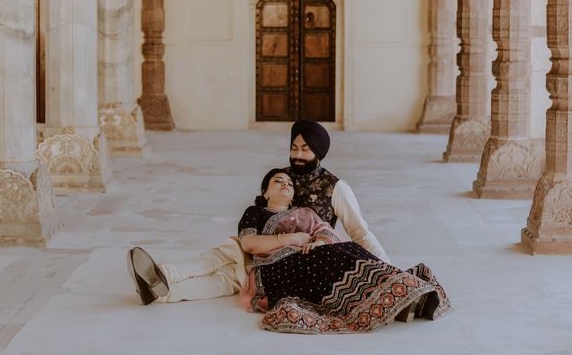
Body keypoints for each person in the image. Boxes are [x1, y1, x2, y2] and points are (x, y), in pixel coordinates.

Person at [127, 120, 388, 305]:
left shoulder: (336, 187)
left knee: (230, 265)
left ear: (318, 153)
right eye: (294, 148)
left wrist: (386, 270)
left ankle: (164, 279)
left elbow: (359, 232)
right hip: (262, 247)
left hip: (299, 260)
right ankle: (162, 282)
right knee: (231, 253)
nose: (297, 155)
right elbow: (263, 212)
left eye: (305, 149)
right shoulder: (284, 177)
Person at [237, 168, 449, 333]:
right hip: (270, 272)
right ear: (265, 192)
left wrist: (319, 243)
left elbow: (327, 233)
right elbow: (248, 244)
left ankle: (399, 294)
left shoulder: (305, 213)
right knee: (329, 256)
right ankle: (400, 291)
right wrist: (291, 238)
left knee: (349, 247)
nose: (285, 184)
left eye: (289, 183)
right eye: (278, 181)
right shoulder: (255, 212)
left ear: (293, 196)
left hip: (307, 262)